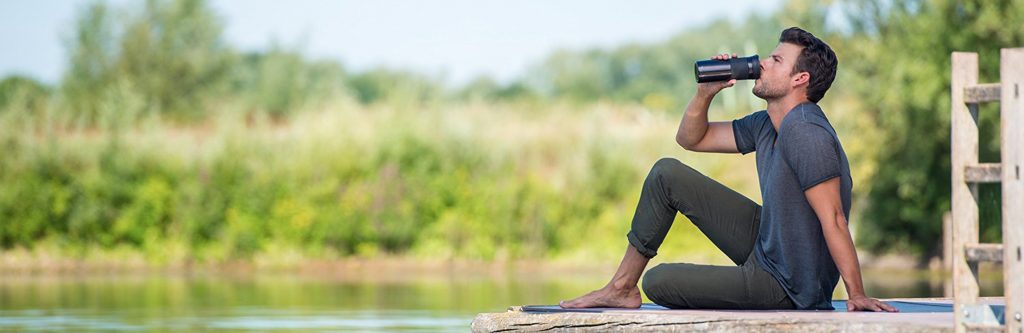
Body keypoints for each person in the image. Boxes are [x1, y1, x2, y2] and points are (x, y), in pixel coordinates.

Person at [559, 27, 897, 312]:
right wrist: (705, 94)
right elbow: (692, 138)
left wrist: (856, 294)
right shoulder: (766, 123)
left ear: (800, 79)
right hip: (767, 244)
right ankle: (620, 287)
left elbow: (834, 217)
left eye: (776, 60)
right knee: (667, 174)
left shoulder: (808, 132)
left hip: (788, 287)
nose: (763, 63)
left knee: (659, 281)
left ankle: (634, 286)